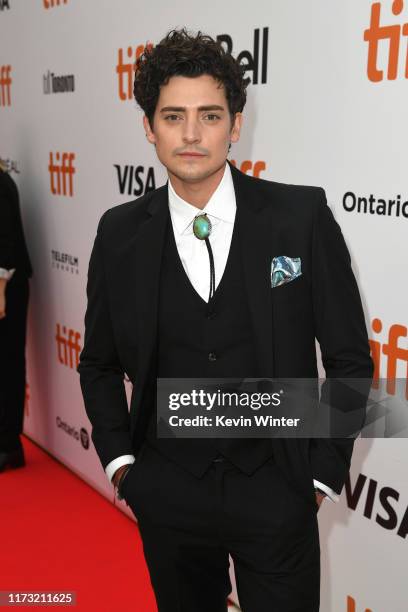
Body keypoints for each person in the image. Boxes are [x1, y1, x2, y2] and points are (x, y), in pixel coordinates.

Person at [77, 29, 374, 611]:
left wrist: (317, 479)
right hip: (167, 492)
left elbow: (349, 359)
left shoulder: (300, 216)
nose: (191, 134)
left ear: (235, 126)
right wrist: (122, 467)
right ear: (149, 127)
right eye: (173, 116)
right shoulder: (118, 233)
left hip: (279, 491)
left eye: (209, 115)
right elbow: (98, 363)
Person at [0, 161, 33, 472]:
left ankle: (10, 445)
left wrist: (0, 290)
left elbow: (7, 242)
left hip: (7, 287)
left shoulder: (1, 182)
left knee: (8, 363)